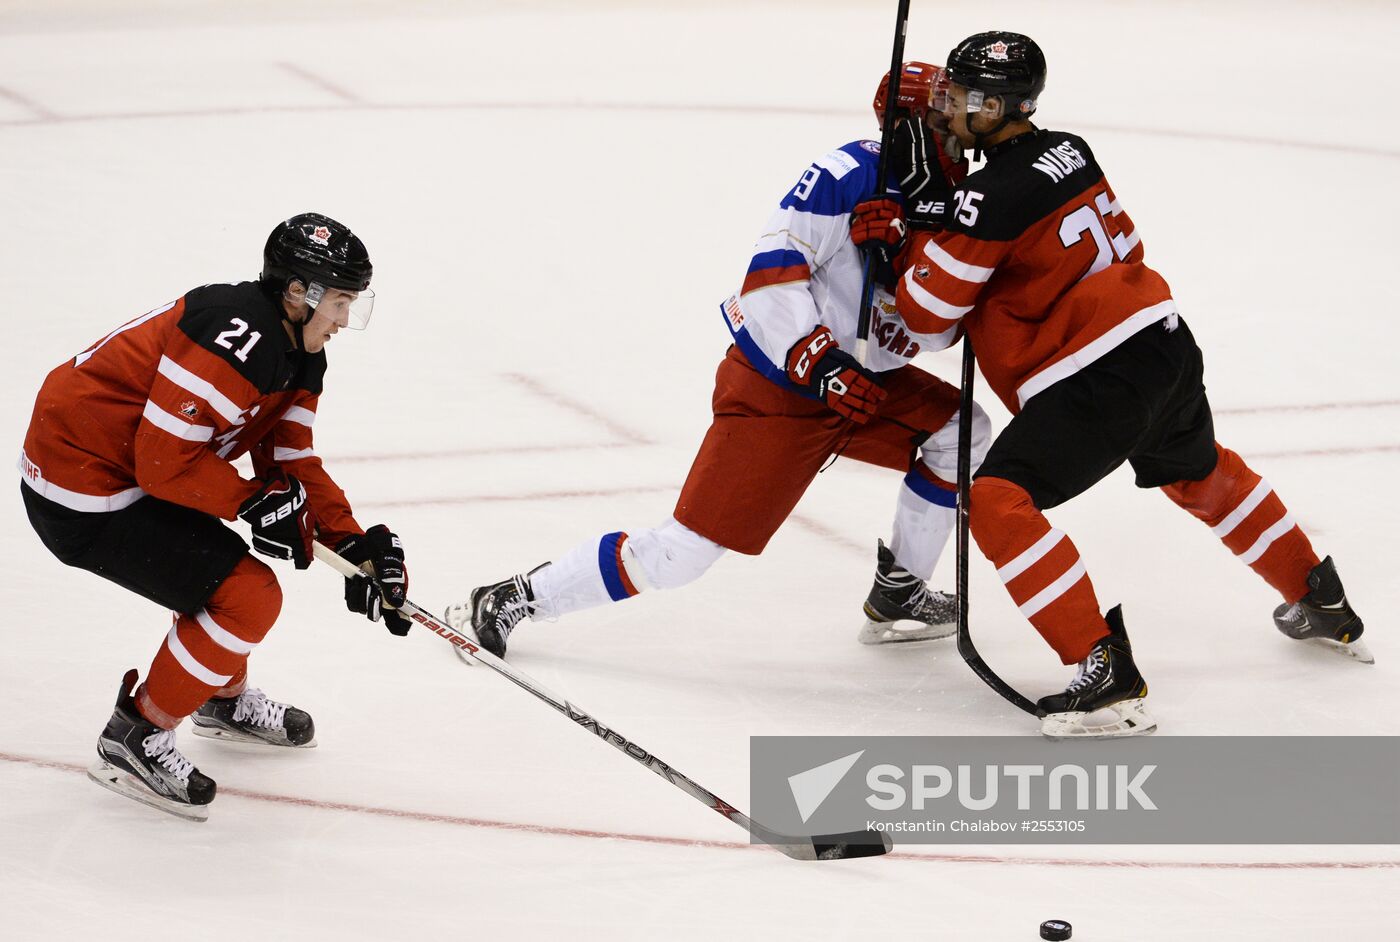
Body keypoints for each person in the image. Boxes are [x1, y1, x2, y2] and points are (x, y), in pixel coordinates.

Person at [857, 31, 1368, 738]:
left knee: (1000, 503)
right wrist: (946, 212)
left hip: (1092, 372)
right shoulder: (1068, 148)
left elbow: (926, 314)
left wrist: (911, 231)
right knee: (1200, 471)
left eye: (960, 95)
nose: (946, 106)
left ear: (996, 104)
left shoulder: (986, 196)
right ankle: (1319, 596)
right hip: (1161, 340)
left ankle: (1102, 670)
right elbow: (1031, 231)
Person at [446, 63, 991, 658]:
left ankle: (901, 592)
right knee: (681, 555)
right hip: (781, 390)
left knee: (961, 431)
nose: (960, 126)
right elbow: (769, 278)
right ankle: (512, 597)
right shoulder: (849, 173)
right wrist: (821, 363)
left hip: (865, 385)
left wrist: (896, 264)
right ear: (909, 123)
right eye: (945, 113)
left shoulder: (957, 197)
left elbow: (938, 332)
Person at [20, 213, 412, 820]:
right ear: (295, 293)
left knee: (222, 579)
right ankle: (136, 733)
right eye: (338, 301)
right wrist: (251, 502)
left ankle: (219, 698)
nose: (343, 320)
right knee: (248, 596)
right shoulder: (235, 335)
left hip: (128, 474)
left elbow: (291, 455)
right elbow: (161, 461)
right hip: (81, 487)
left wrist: (353, 542)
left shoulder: (300, 353)